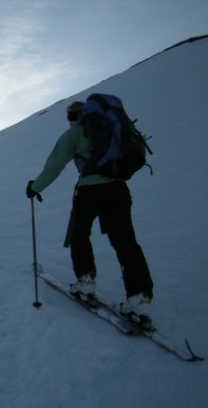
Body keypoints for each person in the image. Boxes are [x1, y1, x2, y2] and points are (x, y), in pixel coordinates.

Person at [26, 101, 154, 321]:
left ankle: (86, 281)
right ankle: (139, 297)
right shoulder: (112, 131)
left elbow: (54, 166)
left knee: (79, 233)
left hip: (89, 191)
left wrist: (34, 187)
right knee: (125, 240)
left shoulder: (73, 135)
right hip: (118, 189)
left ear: (73, 117)